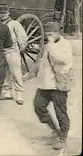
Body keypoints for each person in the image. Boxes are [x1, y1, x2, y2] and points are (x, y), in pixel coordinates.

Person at [31, 22, 73, 151]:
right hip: (46, 83)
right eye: (47, 34)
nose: (48, 36)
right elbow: (44, 60)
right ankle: (55, 131)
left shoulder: (65, 45)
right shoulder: (49, 44)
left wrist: (50, 46)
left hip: (58, 83)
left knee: (61, 112)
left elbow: (63, 59)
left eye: (51, 34)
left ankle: (63, 138)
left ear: (57, 33)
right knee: (38, 105)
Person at [0, 3, 27, 105]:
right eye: (1, 13)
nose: (2, 15)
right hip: (2, 51)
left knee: (16, 73)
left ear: (8, 13)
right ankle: (7, 92)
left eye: (4, 13)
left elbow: (22, 37)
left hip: (12, 51)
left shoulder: (15, 24)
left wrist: (20, 48)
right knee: (5, 73)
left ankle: (19, 95)